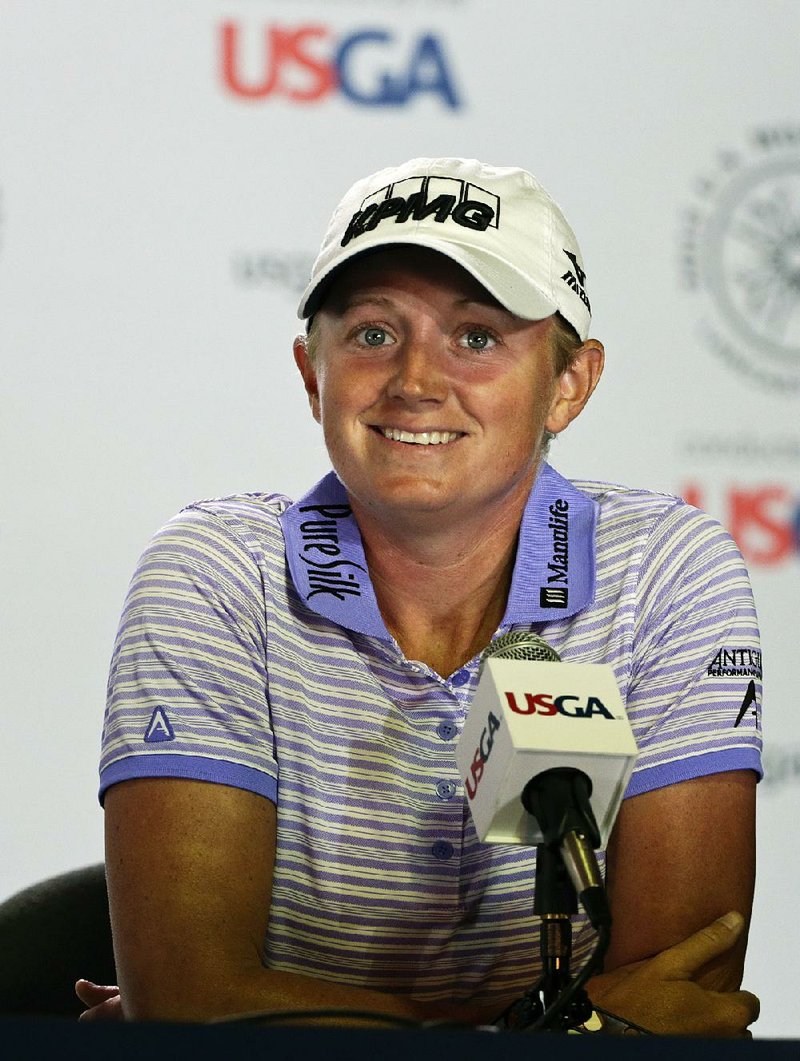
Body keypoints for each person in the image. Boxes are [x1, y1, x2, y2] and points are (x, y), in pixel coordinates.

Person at [77, 158, 762, 1035]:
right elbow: (191, 1003)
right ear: (311, 372)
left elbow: (682, 997)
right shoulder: (216, 572)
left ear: (569, 383)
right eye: (372, 333)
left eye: (477, 336)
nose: (414, 380)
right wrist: (557, 1027)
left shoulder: (668, 570)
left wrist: (281, 1011)